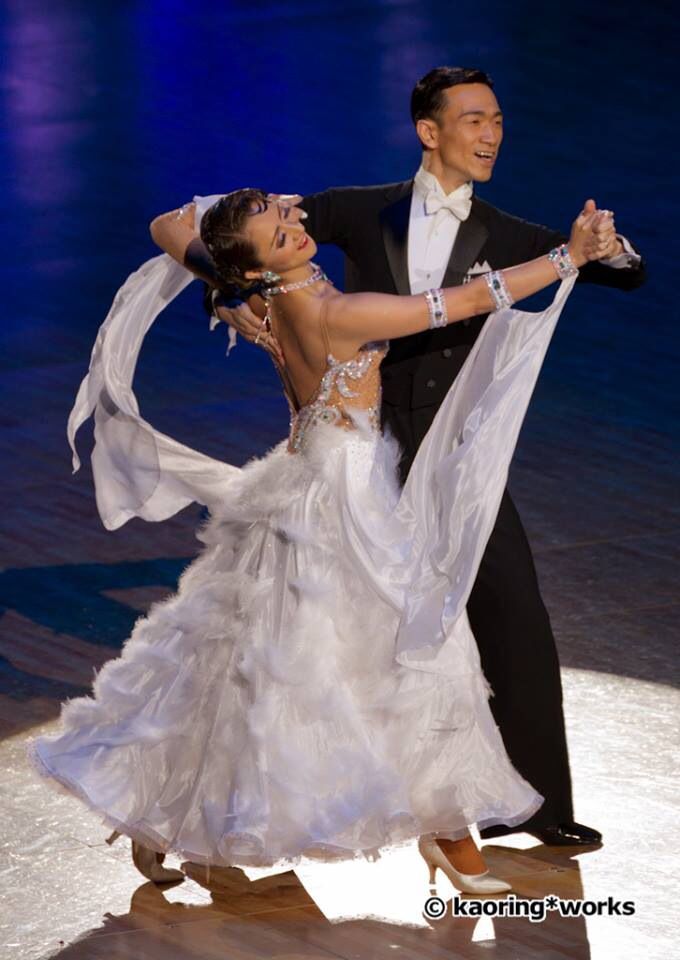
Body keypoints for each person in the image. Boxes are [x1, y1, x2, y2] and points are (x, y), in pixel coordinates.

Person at [30, 187, 605, 897]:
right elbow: (470, 300)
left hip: (299, 484)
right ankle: (450, 835)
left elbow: (167, 224)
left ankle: (166, 822)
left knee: (243, 671)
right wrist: (566, 256)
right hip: (346, 504)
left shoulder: (270, 298)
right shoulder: (339, 313)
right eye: (278, 234)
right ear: (264, 264)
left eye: (284, 218)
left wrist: (222, 277)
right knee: (408, 657)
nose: (295, 228)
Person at [213, 68, 647, 847]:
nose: (491, 135)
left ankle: (539, 808)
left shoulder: (509, 233)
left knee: (513, 613)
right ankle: (274, 797)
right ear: (429, 130)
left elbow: (619, 269)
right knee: (314, 638)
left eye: (499, 121)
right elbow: (234, 234)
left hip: (458, 461)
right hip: (366, 458)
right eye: (475, 120)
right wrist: (223, 289)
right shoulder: (355, 210)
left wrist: (607, 247)